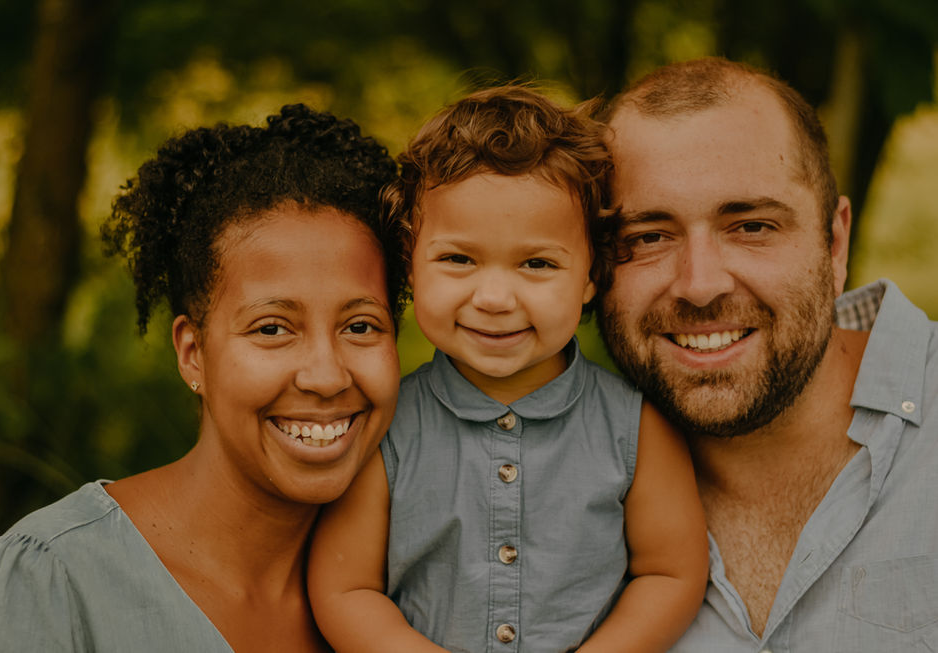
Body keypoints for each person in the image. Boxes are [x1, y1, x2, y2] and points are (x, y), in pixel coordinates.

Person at [0, 104, 408, 651]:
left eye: (361, 325)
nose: (326, 376)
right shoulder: (53, 581)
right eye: (271, 329)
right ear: (193, 353)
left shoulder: (421, 583)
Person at [308, 85, 708, 653]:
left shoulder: (634, 428)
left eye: (537, 263)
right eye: (458, 259)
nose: (494, 297)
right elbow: (344, 590)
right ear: (410, 265)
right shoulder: (384, 428)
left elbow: (671, 574)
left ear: (592, 274)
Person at [598, 56, 938, 651]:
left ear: (835, 244)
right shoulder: (550, 482)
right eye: (648, 237)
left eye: (751, 226)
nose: (699, 284)